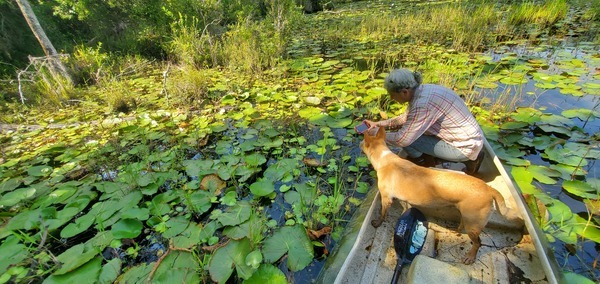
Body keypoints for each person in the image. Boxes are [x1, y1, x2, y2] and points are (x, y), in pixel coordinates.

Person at [364, 68, 485, 175]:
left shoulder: (422, 104)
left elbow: (403, 139)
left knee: (408, 139)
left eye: (392, 95)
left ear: (404, 92)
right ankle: (431, 158)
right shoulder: (425, 90)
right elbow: (406, 117)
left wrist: (375, 135)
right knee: (409, 131)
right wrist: (379, 125)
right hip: (472, 139)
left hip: (464, 148)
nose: (391, 98)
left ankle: (424, 165)